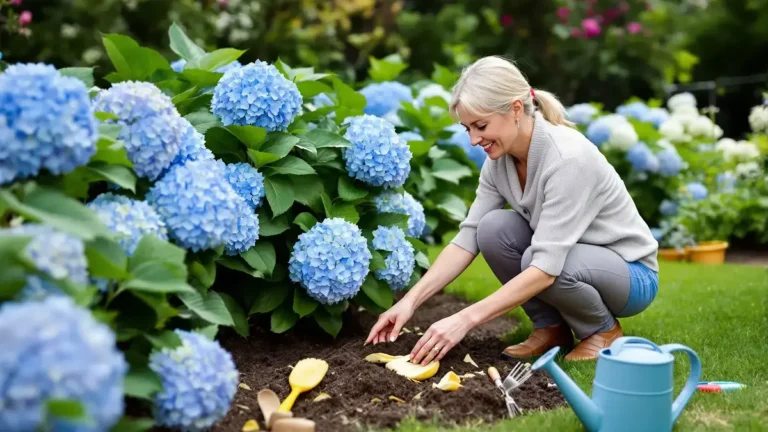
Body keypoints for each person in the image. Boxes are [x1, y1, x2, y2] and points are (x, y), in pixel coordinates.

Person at [365, 55, 659, 363]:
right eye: (468, 128)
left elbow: (545, 268)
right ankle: (551, 329)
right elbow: (468, 238)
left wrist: (464, 319)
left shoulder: (567, 159)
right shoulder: (500, 162)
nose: (474, 139)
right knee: (491, 229)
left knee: (537, 259)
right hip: (570, 259)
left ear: (516, 109)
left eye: (481, 126)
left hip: (630, 274)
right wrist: (410, 302)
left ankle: (602, 331)